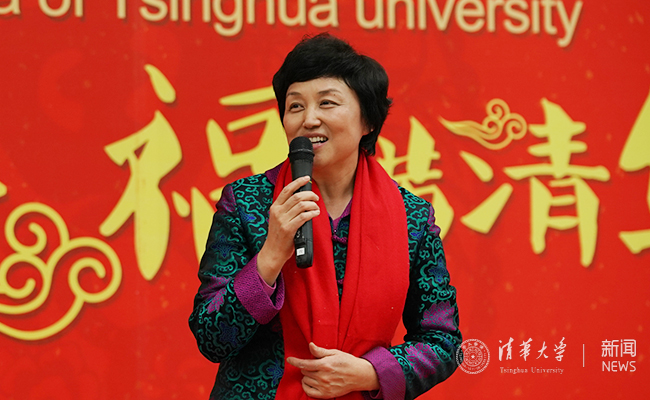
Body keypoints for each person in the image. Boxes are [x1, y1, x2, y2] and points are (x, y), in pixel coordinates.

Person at [189, 33, 461, 400]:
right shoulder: (247, 202)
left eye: (327, 103)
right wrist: (270, 257)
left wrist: (371, 373)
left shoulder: (412, 217)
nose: (309, 119)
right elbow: (211, 337)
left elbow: (443, 341)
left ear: (368, 120)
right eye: (295, 106)